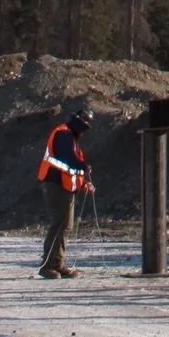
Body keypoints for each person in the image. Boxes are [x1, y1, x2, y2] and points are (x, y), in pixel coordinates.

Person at [37, 106, 93, 279]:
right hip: (56, 185)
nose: (83, 131)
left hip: (63, 186)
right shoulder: (63, 135)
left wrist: (84, 183)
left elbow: (70, 168)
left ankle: (56, 264)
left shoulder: (70, 138)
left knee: (64, 226)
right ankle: (48, 266)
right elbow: (67, 159)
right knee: (60, 225)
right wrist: (84, 168)